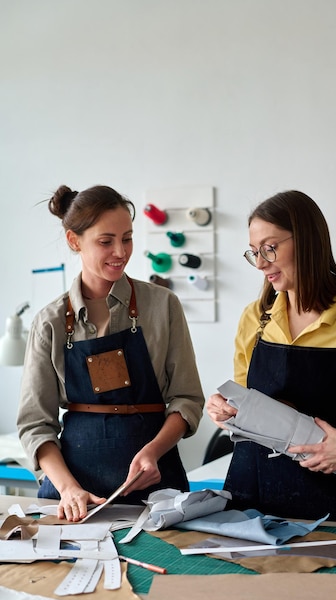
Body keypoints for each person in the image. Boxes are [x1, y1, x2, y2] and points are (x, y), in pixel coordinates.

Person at [206, 190, 336, 524]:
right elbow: (246, 408)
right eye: (254, 252)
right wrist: (222, 411)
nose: (260, 263)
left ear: (306, 241)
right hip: (252, 497)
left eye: (270, 248)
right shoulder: (255, 319)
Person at [17, 184, 204, 522]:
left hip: (155, 485)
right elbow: (35, 425)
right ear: (75, 241)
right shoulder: (49, 322)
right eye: (106, 241)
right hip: (73, 496)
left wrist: (153, 451)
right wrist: (67, 488)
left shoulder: (163, 306)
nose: (120, 251)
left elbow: (187, 400)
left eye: (127, 238)